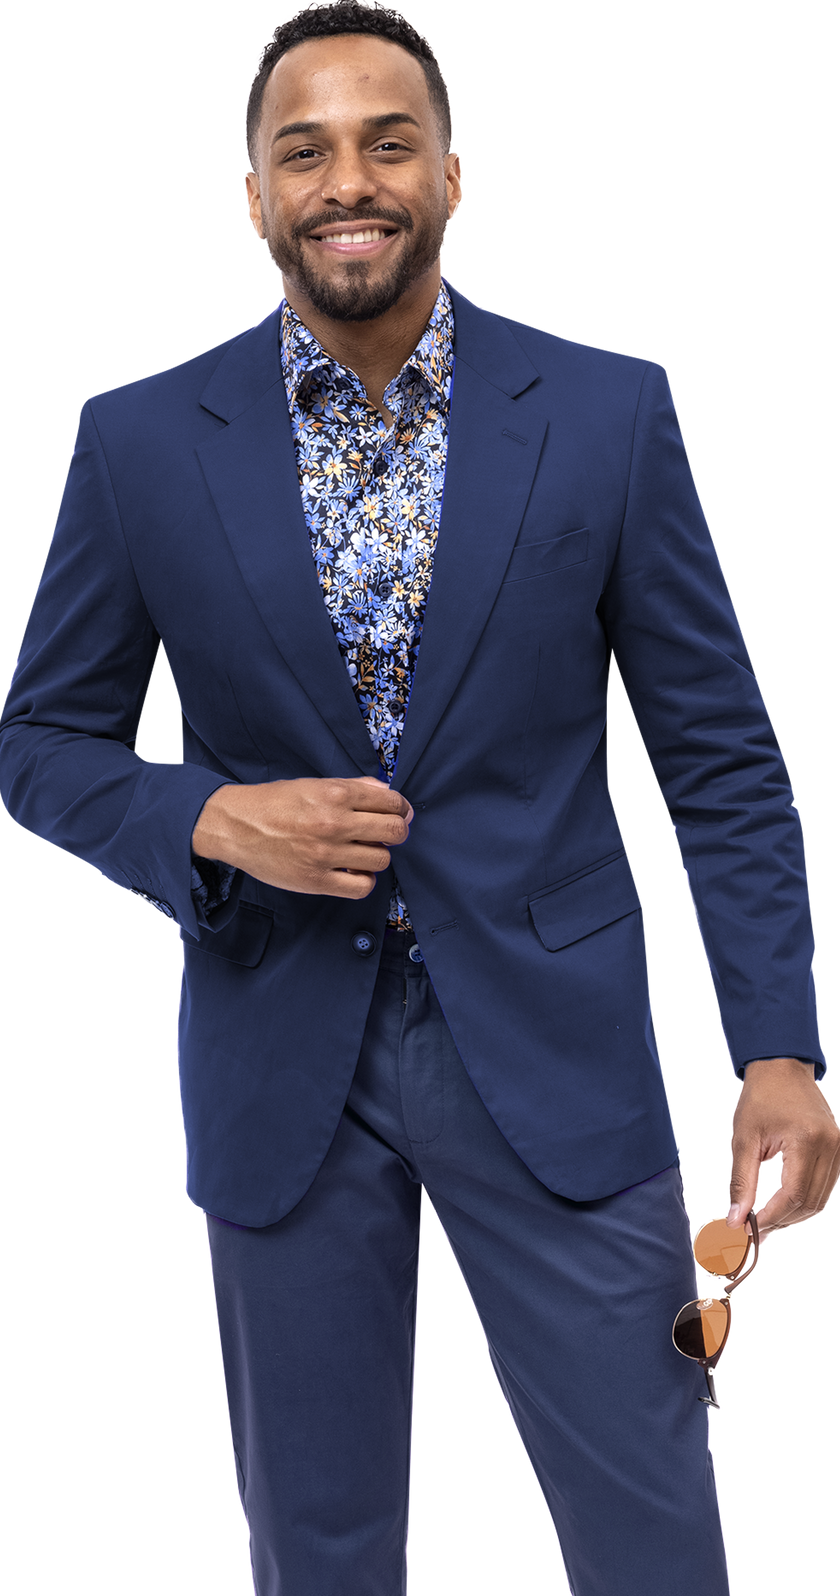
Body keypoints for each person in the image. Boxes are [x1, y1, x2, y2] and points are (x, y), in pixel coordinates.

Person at [1, 3, 837, 1592]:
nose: (348, 181)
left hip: (558, 1055)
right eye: (303, 150)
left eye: (388, 143)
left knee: (653, 1539)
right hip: (278, 1065)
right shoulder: (137, 440)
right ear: (254, 195)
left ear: (452, 175)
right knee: (316, 1554)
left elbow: (720, 755)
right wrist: (207, 820)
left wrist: (779, 1048)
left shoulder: (609, 411)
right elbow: (41, 744)